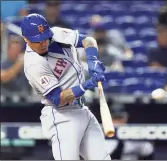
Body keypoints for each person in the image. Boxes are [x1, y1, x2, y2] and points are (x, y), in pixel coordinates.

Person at [21, 13, 110, 160]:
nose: (43, 43)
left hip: (82, 110)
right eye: (38, 41)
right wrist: (87, 84)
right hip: (62, 116)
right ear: (26, 39)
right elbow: (58, 98)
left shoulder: (56, 34)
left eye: (45, 38)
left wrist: (92, 59)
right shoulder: (33, 65)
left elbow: (88, 40)